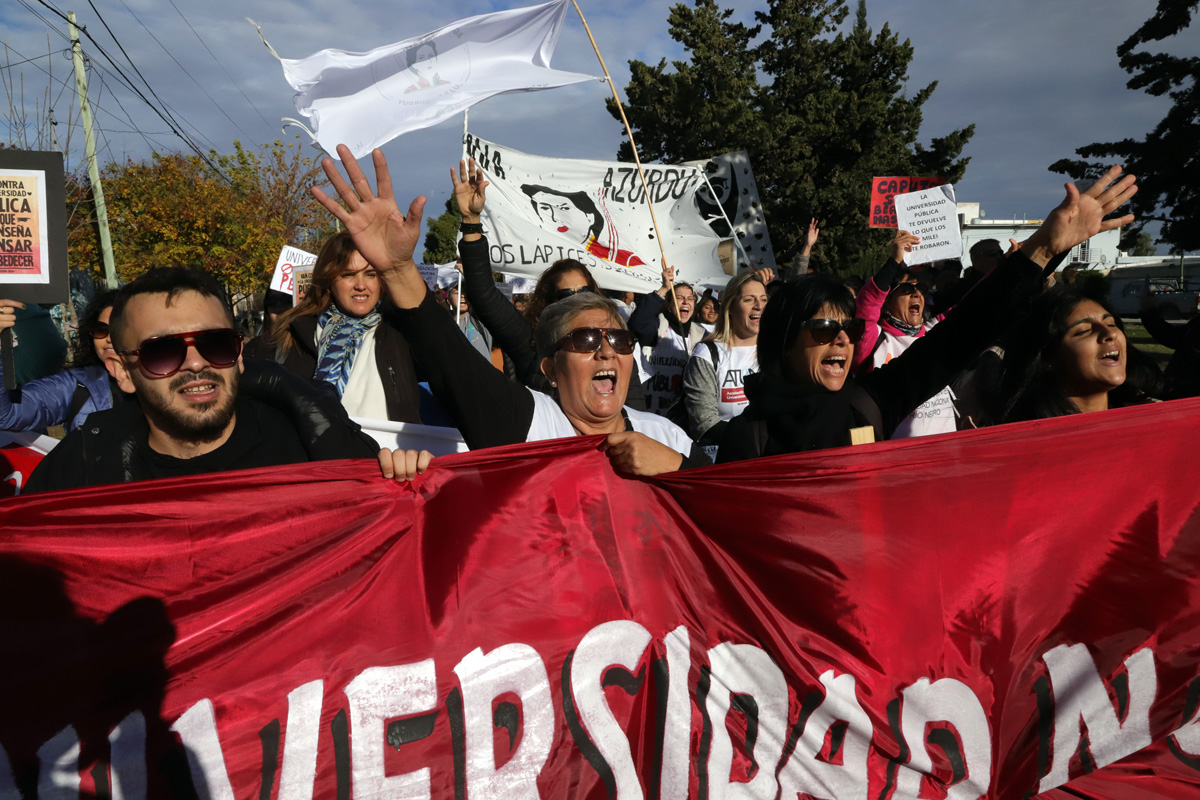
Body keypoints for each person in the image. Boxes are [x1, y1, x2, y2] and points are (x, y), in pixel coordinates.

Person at [310, 146, 710, 476]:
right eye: (586, 339)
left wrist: (683, 469)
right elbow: (449, 355)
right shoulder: (529, 424)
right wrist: (398, 270)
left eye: (619, 340)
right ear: (550, 369)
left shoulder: (668, 438)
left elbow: (734, 511)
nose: (606, 352)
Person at [716, 165, 1139, 461]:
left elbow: (961, 335)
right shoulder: (746, 438)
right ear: (784, 339)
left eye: (848, 327)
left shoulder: (869, 404)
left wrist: (1044, 247)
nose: (845, 339)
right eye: (827, 328)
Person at [22, 267, 421, 494]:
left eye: (216, 344)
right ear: (122, 372)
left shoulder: (310, 450)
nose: (196, 363)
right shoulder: (84, 467)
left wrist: (406, 484)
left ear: (240, 355)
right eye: (163, 351)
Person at [270, 231, 422, 423]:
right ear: (329, 282)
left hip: (391, 451)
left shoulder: (401, 332)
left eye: (370, 274)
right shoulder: (292, 334)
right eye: (348, 275)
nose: (360, 285)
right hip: (324, 450)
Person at [997, 285, 1160, 422]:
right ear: (1047, 358)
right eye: (1084, 331)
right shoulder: (1024, 440)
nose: (1110, 334)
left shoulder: (1151, 419)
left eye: (1111, 324)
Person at [853, 231, 959, 438]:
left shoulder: (933, 331)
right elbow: (866, 306)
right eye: (907, 289)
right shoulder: (875, 340)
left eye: (920, 289)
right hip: (897, 461)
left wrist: (1007, 267)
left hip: (946, 459)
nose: (916, 293)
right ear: (885, 303)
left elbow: (974, 306)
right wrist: (894, 261)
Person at [0, 290, 119, 433]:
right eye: (101, 330)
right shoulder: (76, 385)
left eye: (119, 329)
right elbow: (8, 415)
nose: (109, 339)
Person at [680, 271, 766, 445]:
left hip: (768, 458)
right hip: (724, 457)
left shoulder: (775, 351)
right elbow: (704, 424)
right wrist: (753, 442)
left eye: (764, 299)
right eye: (749, 300)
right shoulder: (707, 354)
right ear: (730, 307)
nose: (759, 306)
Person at [627, 267, 706, 415]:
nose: (685, 302)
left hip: (681, 417)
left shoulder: (701, 335)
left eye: (690, 299)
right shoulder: (658, 326)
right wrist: (664, 288)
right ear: (669, 304)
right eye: (679, 298)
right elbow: (638, 323)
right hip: (649, 412)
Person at [520, 183, 646, 267]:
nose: (554, 218)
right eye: (545, 208)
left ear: (590, 216)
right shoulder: (541, 257)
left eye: (563, 208)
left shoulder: (624, 260)